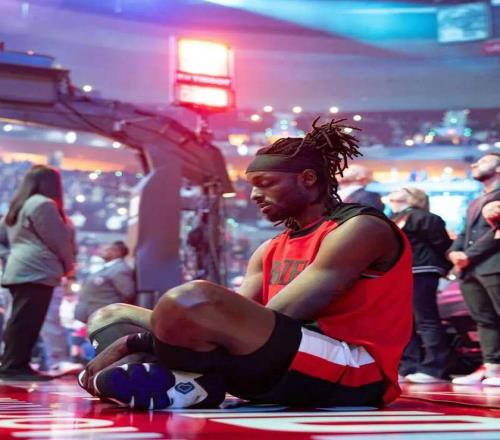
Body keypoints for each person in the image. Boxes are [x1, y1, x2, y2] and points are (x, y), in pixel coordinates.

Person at [79, 118, 413, 409]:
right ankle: (192, 385)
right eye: (253, 186)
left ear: (308, 179)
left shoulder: (360, 228)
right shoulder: (270, 248)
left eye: (265, 184)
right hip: (276, 367)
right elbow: (236, 319)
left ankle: (174, 378)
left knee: (193, 299)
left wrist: (136, 342)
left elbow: (282, 315)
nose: (254, 195)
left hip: (353, 372)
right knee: (110, 316)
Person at [0, 165, 76, 381]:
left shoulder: (18, 205)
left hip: (19, 267)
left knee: (20, 320)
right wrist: (69, 266)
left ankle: (13, 364)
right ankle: (15, 367)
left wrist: (9, 257)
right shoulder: (43, 204)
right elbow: (58, 240)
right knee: (28, 322)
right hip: (38, 269)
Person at [388, 187, 452, 383]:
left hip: (422, 270)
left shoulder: (425, 217)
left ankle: (434, 367)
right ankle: (409, 365)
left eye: (403, 190)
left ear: (414, 197)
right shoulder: (393, 218)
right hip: (401, 272)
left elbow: (441, 244)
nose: (395, 192)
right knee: (404, 321)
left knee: (425, 319)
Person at [448, 153, 500, 386]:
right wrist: (454, 252)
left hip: (493, 264)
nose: (475, 164)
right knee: (483, 319)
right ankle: (493, 367)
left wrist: (468, 255)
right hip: (470, 269)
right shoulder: (476, 200)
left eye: (484, 161)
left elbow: (495, 234)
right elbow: (464, 233)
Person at [74, 241, 135, 323]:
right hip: (93, 316)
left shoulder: (120, 269)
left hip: (104, 317)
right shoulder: (108, 267)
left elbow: (128, 294)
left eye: (107, 250)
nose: (103, 252)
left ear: (117, 252)